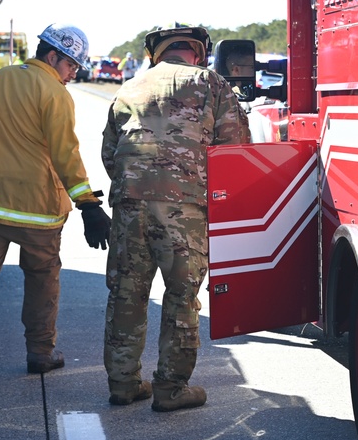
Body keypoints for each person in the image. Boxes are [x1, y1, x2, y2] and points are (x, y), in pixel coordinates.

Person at [0, 23, 113, 392]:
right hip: (37, 212)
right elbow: (65, 154)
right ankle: (41, 353)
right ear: (52, 56)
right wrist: (87, 205)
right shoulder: (54, 94)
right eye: (71, 66)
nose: (72, 75)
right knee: (42, 280)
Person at [101, 24, 250, 411]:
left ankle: (122, 383)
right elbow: (234, 150)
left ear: (156, 54)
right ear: (198, 53)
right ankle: (170, 387)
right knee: (182, 297)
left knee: (126, 294)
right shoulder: (211, 83)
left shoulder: (129, 88)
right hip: (184, 210)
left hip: (129, 206)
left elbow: (109, 153)